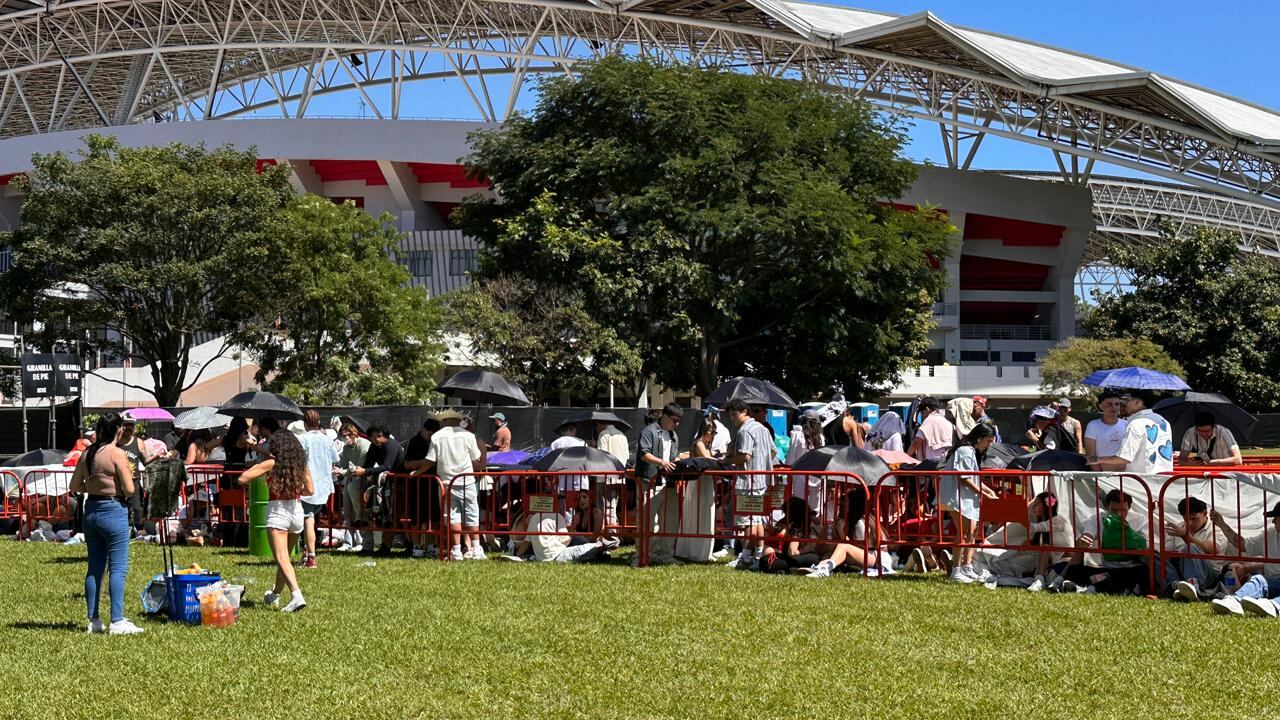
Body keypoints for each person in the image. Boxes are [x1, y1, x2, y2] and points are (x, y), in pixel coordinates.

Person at [69, 412, 143, 635]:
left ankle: (93, 620)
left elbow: (75, 485)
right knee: (118, 568)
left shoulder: (87, 453)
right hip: (114, 511)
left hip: (91, 511)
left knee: (94, 568)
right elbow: (130, 489)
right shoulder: (118, 454)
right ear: (119, 430)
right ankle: (117, 620)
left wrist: (94, 488)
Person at [240, 429, 313, 613]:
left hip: (277, 511)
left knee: (281, 559)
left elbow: (242, 478)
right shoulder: (301, 464)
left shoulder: (271, 463)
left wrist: (263, 468)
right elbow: (310, 490)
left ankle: (297, 595)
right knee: (285, 560)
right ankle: (275, 594)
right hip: (296, 510)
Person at [1055, 490, 1150, 595]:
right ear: (1107, 507)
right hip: (1105, 568)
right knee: (1074, 570)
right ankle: (1099, 587)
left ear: (1130, 507)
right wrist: (1084, 541)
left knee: (1142, 572)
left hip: (1128, 569)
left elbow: (1147, 546)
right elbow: (1088, 535)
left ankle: (1090, 587)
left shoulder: (1140, 520)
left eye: (1123, 510)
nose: (1119, 514)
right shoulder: (1098, 518)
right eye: (1114, 510)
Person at [939, 424, 1000, 583]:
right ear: (979, 438)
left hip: (964, 497)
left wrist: (989, 492)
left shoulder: (970, 451)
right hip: (956, 496)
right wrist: (983, 493)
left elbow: (973, 478)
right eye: (988, 441)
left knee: (971, 532)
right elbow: (964, 478)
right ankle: (956, 571)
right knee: (964, 533)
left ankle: (966, 567)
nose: (989, 445)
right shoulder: (965, 451)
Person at [975, 492, 1070, 590]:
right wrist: (1030, 543)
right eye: (1034, 504)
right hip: (1047, 559)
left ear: (1046, 506)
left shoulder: (1058, 521)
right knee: (1014, 553)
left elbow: (1036, 528)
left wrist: (1018, 515)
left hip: (1057, 560)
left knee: (1038, 549)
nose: (1033, 508)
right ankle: (998, 563)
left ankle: (1039, 578)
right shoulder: (1043, 522)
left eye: (1037, 505)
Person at [426, 409, 485, 560]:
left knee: (452, 517)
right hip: (467, 481)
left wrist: (418, 472)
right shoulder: (469, 436)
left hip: (446, 483)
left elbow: (431, 460)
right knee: (472, 515)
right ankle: (476, 549)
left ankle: (456, 550)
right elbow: (476, 458)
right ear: (458, 421)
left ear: (443, 421)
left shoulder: (437, 436)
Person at [723, 398, 775, 569]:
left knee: (748, 523)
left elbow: (745, 456)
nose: (732, 417)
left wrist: (727, 460)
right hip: (762, 480)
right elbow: (773, 452)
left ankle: (745, 556)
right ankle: (758, 556)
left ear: (744, 412)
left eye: (734, 413)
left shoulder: (744, 431)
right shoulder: (763, 428)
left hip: (748, 482)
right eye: (730, 414)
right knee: (757, 520)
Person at [635, 403, 685, 566]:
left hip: (668, 484)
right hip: (649, 482)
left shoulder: (673, 436)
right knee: (646, 522)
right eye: (674, 420)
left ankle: (666, 555)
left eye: (679, 421)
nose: (676, 424)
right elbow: (643, 454)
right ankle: (641, 556)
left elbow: (673, 456)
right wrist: (661, 462)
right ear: (664, 416)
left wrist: (678, 461)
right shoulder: (649, 431)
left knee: (670, 521)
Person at [1210, 502, 1280, 617]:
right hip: (1273, 581)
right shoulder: (1270, 534)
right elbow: (1242, 545)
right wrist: (1222, 524)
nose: (1272, 521)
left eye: (1276, 518)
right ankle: (1235, 600)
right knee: (1259, 580)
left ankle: (1273, 605)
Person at [1168, 496, 1239, 601]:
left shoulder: (1217, 530)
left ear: (1205, 513)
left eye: (1193, 518)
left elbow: (1210, 549)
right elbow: (1167, 553)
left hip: (1209, 575)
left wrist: (1185, 537)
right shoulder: (1179, 528)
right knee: (1155, 555)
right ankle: (1174, 585)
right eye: (1185, 519)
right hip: (1180, 568)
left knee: (1190, 547)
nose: (1190, 523)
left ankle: (1195, 587)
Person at [1090, 390, 1174, 474]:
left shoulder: (1136, 424)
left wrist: (1097, 459)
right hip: (1166, 479)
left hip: (1141, 481)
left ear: (1137, 402)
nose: (1124, 404)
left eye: (1127, 400)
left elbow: (1124, 458)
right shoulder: (1163, 421)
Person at [297, 409, 339, 569]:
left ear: (305, 423)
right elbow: (335, 459)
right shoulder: (327, 440)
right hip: (324, 486)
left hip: (307, 486)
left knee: (308, 519)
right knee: (310, 519)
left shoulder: (302, 439)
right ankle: (307, 552)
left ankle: (311, 556)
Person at [353, 425, 404, 555]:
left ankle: (391, 546)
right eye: (373, 436)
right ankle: (382, 547)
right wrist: (361, 470)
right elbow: (368, 464)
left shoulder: (391, 445)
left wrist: (365, 471)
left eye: (379, 436)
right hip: (384, 486)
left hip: (400, 485)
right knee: (383, 516)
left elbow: (386, 466)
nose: (376, 439)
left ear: (385, 435)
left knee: (393, 516)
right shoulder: (374, 447)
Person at [401, 418, 442, 557]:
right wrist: (426, 463)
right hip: (417, 486)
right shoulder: (414, 441)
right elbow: (407, 464)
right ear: (423, 429)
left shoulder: (437, 441)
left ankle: (432, 546)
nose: (431, 437)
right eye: (429, 434)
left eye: (433, 434)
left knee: (434, 517)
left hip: (434, 484)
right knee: (416, 518)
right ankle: (417, 546)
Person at [334, 423, 371, 552]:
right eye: (342, 435)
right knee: (348, 513)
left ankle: (361, 542)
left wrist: (343, 472)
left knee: (360, 512)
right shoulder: (346, 448)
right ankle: (348, 542)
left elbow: (360, 468)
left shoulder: (364, 445)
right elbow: (344, 465)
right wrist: (340, 470)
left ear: (353, 433)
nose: (344, 438)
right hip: (350, 482)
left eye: (346, 435)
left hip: (363, 482)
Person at [786, 411, 826, 514]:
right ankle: (814, 528)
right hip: (817, 475)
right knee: (816, 509)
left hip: (800, 474)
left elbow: (790, 458)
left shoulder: (797, 435)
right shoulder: (821, 437)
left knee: (799, 506)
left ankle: (801, 527)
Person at [595, 418, 630, 528]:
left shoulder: (603, 434)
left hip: (606, 477)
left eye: (595, 426)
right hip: (620, 476)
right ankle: (612, 534)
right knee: (612, 507)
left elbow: (600, 456)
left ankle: (611, 537)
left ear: (600, 424)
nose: (595, 429)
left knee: (606, 508)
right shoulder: (622, 435)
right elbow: (627, 456)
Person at [1084, 391, 1128, 463]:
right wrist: (1098, 473)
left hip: (1126, 472)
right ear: (1100, 406)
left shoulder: (1127, 425)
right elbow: (1090, 456)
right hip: (1101, 472)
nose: (1114, 407)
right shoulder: (1093, 426)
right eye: (1109, 404)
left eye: (1117, 404)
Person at [907, 397, 953, 463]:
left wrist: (907, 455)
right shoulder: (948, 422)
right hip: (945, 461)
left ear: (927, 409)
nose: (922, 416)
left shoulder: (928, 421)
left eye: (922, 413)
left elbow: (916, 442)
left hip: (931, 463)